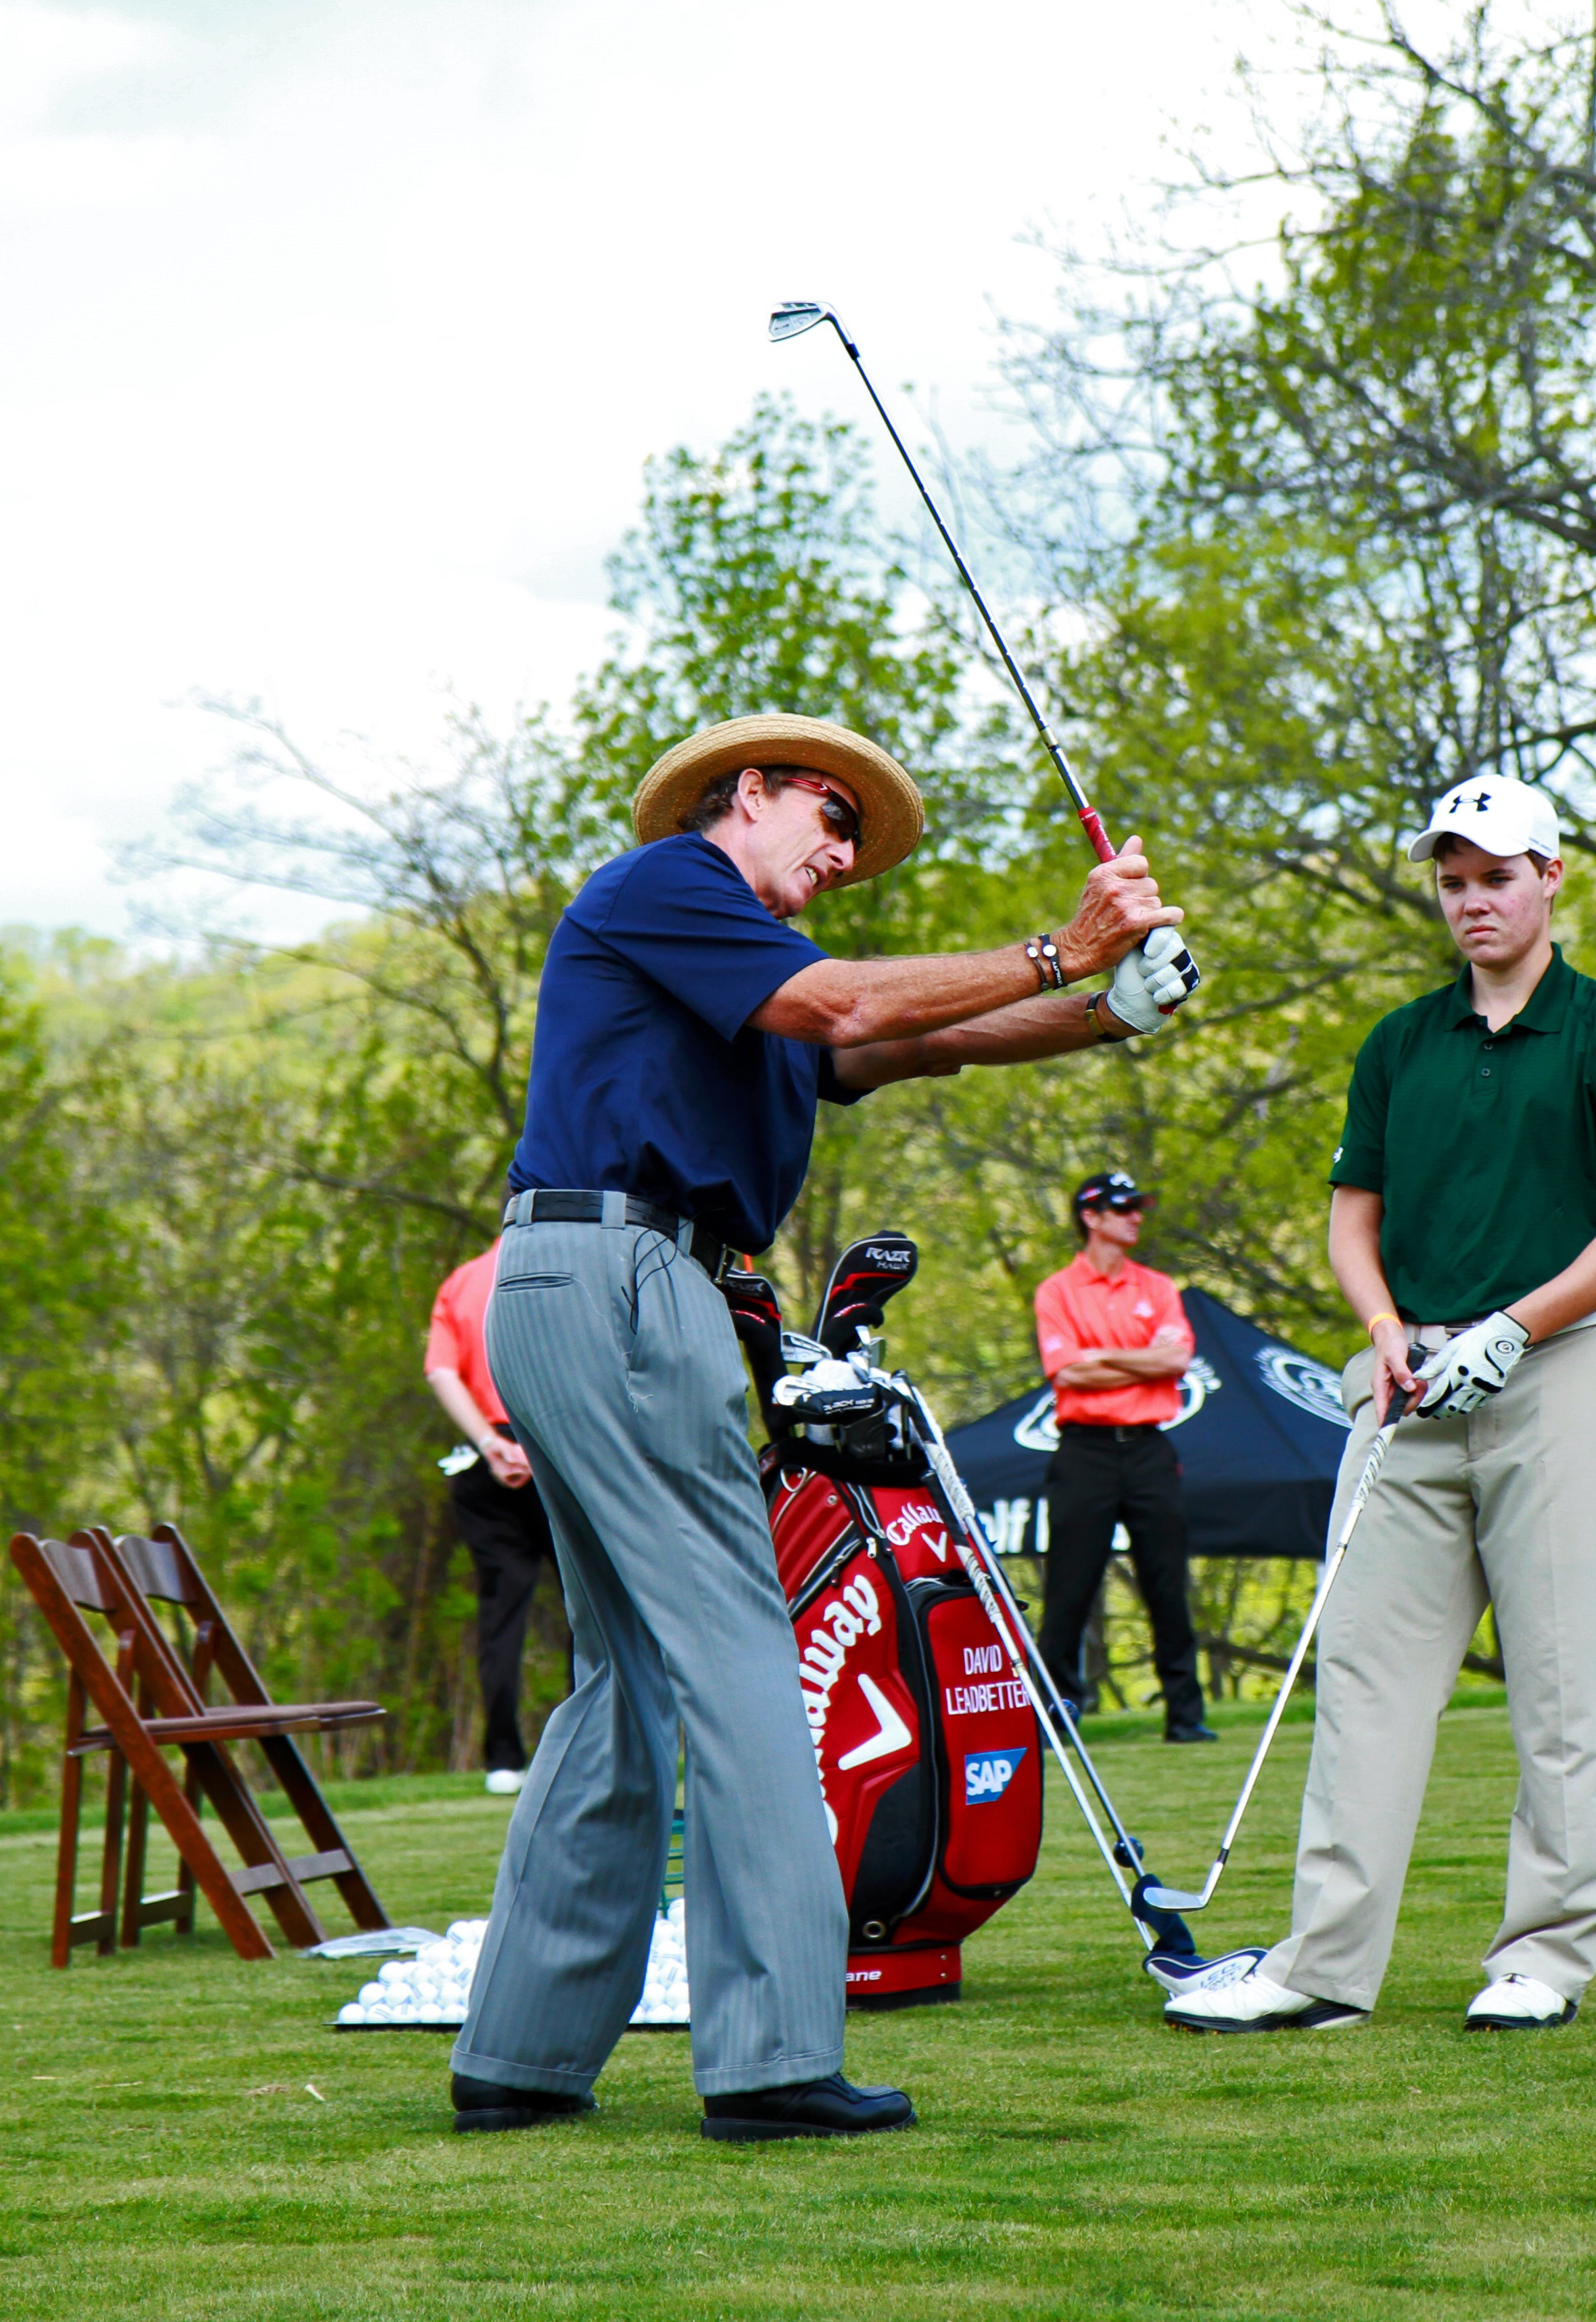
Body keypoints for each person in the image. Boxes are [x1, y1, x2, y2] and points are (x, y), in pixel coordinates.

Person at [448, 712, 1198, 2141]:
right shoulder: (671, 885)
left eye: (857, 845)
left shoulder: (746, 980)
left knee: (625, 1684)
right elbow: (857, 1006)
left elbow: (929, 1041)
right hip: (622, 1278)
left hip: (586, 1280)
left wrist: (1113, 1010)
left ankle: (522, 2057)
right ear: (749, 793)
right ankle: (772, 2061)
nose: (844, 858)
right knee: (743, 1657)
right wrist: (1066, 944)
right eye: (830, 821)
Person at [1166, 772, 1596, 2037]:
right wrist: (1388, 1332)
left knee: (1558, 1689)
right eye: (1451, 883)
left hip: (1558, 1378)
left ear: (1549, 877)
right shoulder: (1400, 1041)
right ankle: (1322, 1967)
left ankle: (1543, 1959)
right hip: (1409, 1386)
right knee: (1361, 1681)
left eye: (1494, 878)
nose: (1471, 903)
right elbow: (1355, 1223)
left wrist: (1512, 1329)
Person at [1031, 1169, 1213, 1742]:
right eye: (1123, 1206)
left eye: (1138, 1206)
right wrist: (1137, 1355)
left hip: (1149, 1451)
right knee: (1069, 1587)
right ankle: (1057, 1716)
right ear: (1091, 1216)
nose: (1137, 1215)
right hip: (1084, 1452)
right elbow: (1068, 1371)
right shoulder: (1056, 1291)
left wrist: (1101, 1355)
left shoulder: (1158, 1287)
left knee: (1167, 1583)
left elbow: (1175, 1362)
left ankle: (1186, 1719)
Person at [423, 1243, 553, 1795]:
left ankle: (503, 1760)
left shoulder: (462, 1279)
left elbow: (440, 1372)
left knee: (502, 1607)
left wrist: (488, 1443)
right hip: (557, 1444)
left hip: (484, 1457)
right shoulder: (557, 1269)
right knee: (589, 1602)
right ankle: (592, 1750)